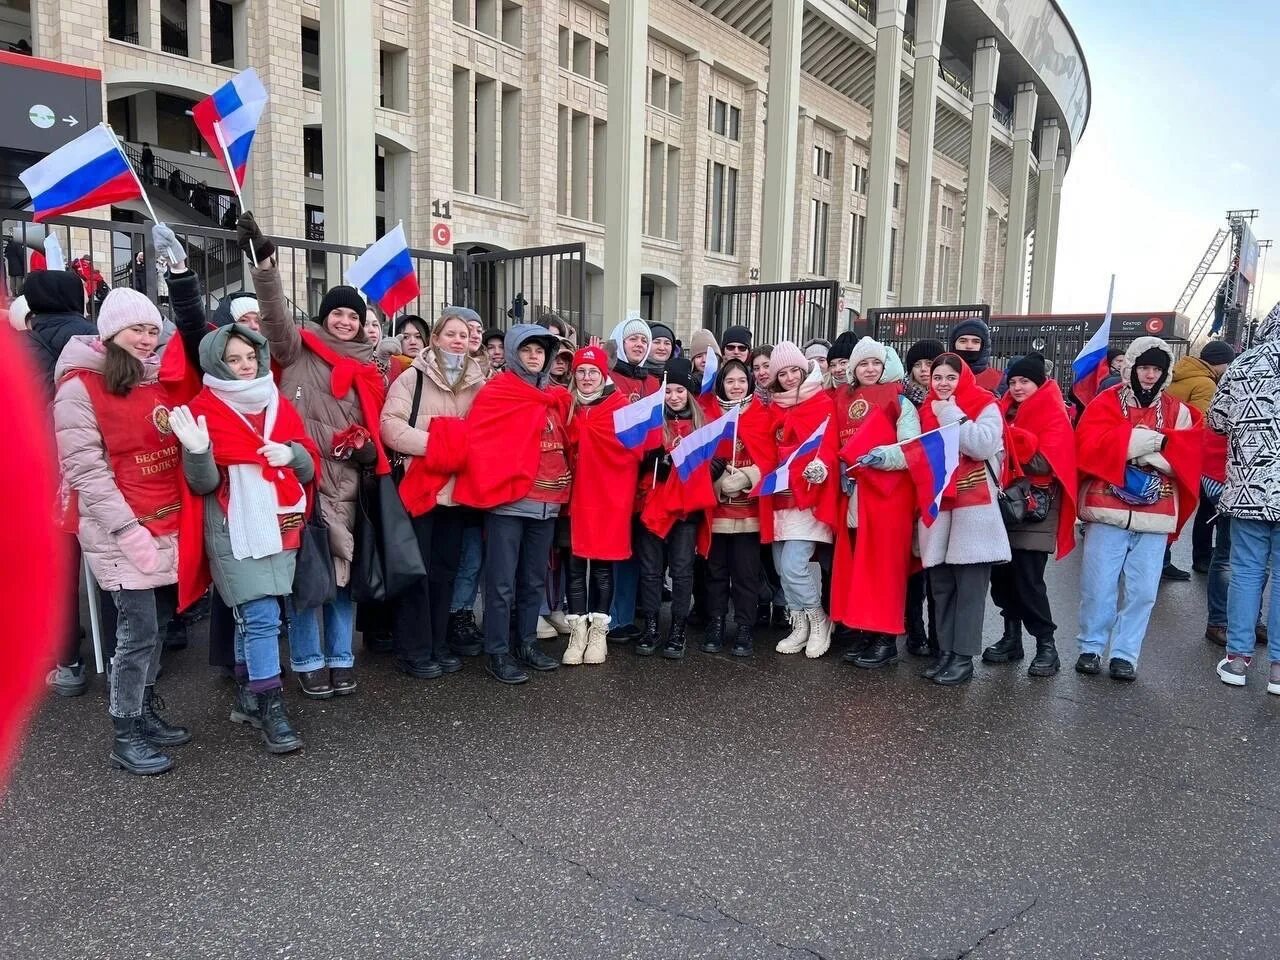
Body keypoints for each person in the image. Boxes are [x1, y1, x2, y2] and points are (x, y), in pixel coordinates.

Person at [239, 211, 387, 699]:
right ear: (324, 317)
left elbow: (378, 427)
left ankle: (342, 656)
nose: (345, 321)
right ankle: (306, 659)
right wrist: (265, 267)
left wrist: (366, 447)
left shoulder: (369, 365)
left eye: (353, 316)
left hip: (346, 481)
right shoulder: (295, 350)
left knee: (342, 572)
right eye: (338, 314)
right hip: (298, 479)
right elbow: (276, 316)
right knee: (309, 574)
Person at [53, 288, 189, 775]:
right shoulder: (78, 388)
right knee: (136, 633)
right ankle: (125, 731)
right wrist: (127, 530)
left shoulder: (153, 380)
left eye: (154, 329)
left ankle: (146, 708)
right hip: (121, 531)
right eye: (138, 329)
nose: (148, 339)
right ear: (111, 332)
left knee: (160, 625)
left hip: (167, 521)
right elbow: (86, 470)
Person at [169, 325, 315, 753]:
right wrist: (197, 451)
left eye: (249, 357)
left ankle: (250, 696)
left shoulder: (277, 401)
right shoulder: (203, 408)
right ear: (217, 363)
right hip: (232, 523)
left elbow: (306, 468)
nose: (245, 365)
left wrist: (293, 454)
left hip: (279, 519)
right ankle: (271, 704)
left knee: (256, 616)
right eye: (233, 359)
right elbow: (202, 485)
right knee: (262, 617)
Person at [1075, 336, 1202, 682]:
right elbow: (1087, 446)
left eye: (1156, 369)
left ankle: (1125, 654)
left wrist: (1133, 449)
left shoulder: (1180, 411)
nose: (1149, 375)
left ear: (1165, 373)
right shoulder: (1105, 402)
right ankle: (1091, 647)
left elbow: (1188, 459)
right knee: (1097, 584)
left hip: (1156, 512)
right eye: (1144, 367)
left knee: (1144, 590)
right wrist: (1150, 446)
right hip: (1106, 507)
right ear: (1132, 366)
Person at [453, 325, 570, 684]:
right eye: (528, 350)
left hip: (548, 501)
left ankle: (526, 642)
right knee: (501, 582)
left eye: (540, 352)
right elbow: (482, 441)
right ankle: (497, 651)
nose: (535, 357)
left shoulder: (555, 395)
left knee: (533, 579)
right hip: (510, 501)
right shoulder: (499, 392)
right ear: (515, 353)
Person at [383, 310, 488, 679]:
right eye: (451, 334)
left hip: (457, 495)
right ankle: (413, 647)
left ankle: (438, 642)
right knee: (418, 571)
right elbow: (390, 427)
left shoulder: (479, 383)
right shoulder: (412, 377)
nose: (458, 340)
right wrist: (438, 445)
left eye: (464, 335)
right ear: (437, 338)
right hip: (421, 488)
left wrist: (459, 449)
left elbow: (486, 433)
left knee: (445, 571)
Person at [25, 268, 102, 696]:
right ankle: (125, 652)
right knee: (113, 562)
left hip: (50, 472)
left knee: (60, 567)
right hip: (107, 468)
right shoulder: (102, 341)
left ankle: (67, 660)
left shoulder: (21, 349)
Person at [980, 354, 1078, 677]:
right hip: (1004, 506)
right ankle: (1012, 639)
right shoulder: (1003, 409)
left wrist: (1011, 443)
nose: (1018, 387)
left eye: (1025, 381)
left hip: (1036, 509)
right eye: (1013, 382)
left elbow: (1045, 464)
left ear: (1039, 383)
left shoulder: (1054, 413)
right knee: (1002, 578)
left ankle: (1046, 646)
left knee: (1029, 581)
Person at [830, 338, 920, 668]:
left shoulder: (899, 399)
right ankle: (867, 631)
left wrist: (883, 456)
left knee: (885, 569)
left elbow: (912, 448)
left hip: (888, 496)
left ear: (885, 367)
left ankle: (886, 638)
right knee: (861, 568)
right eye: (863, 364)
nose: (869, 369)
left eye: (875, 364)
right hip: (855, 493)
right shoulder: (843, 398)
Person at [1209, 306, 1280, 692]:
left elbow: (1216, 421)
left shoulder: (1243, 364)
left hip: (1249, 491)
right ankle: (1278, 670)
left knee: (1247, 572)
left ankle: (1237, 659)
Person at [561, 344, 640, 664]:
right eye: (581, 371)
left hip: (607, 499)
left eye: (593, 371)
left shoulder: (619, 406)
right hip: (572, 500)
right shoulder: (566, 405)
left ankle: (598, 634)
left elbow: (635, 451)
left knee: (604, 569)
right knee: (575, 567)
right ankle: (577, 633)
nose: (587, 377)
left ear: (603, 373)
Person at [761, 341, 838, 658]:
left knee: (794, 566)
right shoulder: (774, 406)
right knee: (781, 568)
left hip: (809, 497)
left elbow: (829, 444)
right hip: (779, 497)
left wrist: (822, 465)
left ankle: (820, 620)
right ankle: (800, 624)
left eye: (796, 370)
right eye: (784, 373)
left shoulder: (822, 401)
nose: (791, 377)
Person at [634, 358, 714, 658]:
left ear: (689, 393)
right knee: (651, 571)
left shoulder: (702, 424)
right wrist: (652, 458)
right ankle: (652, 625)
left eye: (679, 390)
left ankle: (678, 628)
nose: (674, 397)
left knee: (681, 572)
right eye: (668, 391)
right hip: (654, 505)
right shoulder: (652, 423)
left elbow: (714, 463)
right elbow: (635, 459)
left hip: (686, 510)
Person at [703, 359, 771, 656]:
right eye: (729, 381)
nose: (736, 386)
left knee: (746, 574)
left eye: (741, 381)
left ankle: (744, 627)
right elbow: (700, 459)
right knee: (715, 572)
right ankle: (715, 623)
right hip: (717, 509)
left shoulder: (762, 415)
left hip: (749, 512)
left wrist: (748, 476)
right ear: (721, 384)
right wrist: (718, 483)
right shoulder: (708, 415)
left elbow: (771, 459)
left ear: (750, 383)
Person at [1166, 340, 1235, 576]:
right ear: (1220, 363)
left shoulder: (1181, 374)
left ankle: (1162, 560)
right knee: (1205, 509)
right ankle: (1202, 557)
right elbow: (1207, 424)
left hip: (1169, 447)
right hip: (1194, 454)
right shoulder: (1206, 383)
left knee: (1169, 505)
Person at [947, 317, 1003, 391]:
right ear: (953, 344)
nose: (969, 346)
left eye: (976, 342)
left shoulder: (999, 379)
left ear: (984, 346)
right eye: (963, 341)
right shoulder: (940, 376)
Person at [903, 338, 944, 407]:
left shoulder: (952, 398)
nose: (923, 369)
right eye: (917, 365)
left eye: (929, 364)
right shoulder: (901, 400)